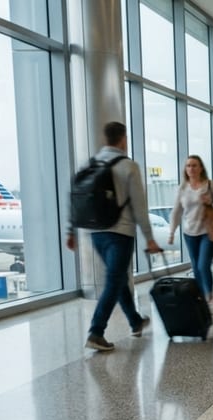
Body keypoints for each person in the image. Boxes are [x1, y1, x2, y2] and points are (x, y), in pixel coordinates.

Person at [66, 121, 161, 352]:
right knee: (114, 280)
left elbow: (76, 198)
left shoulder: (90, 164)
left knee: (116, 279)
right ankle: (96, 332)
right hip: (121, 232)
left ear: (105, 138)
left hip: (95, 232)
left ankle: (135, 321)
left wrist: (71, 230)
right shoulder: (129, 166)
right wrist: (149, 237)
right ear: (123, 138)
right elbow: (139, 205)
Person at [166, 155, 213, 301]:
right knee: (196, 266)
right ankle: (201, 296)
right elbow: (176, 211)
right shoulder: (182, 188)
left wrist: (211, 203)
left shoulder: (211, 185)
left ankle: (209, 295)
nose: (191, 168)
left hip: (208, 232)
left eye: (194, 165)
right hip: (189, 232)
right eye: (188, 165)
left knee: (203, 265)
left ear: (201, 168)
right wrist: (171, 232)